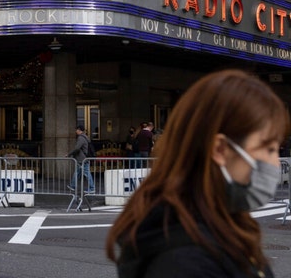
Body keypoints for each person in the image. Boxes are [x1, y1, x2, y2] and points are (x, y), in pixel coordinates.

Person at [105, 69, 288, 278]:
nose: (275, 162)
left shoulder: (219, 221)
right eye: (268, 149)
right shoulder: (185, 262)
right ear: (220, 149)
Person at [67, 125, 95, 193]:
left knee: (86, 173)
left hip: (82, 159)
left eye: (76, 130)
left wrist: (69, 154)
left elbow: (77, 148)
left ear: (79, 130)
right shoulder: (85, 137)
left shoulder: (81, 138)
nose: (75, 131)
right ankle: (72, 185)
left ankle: (92, 188)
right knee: (77, 172)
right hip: (83, 158)